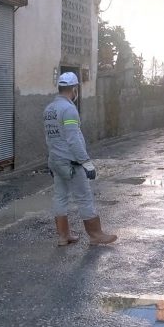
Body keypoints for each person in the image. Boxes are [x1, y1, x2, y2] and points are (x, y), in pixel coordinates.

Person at [44, 72, 117, 246]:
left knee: (60, 197)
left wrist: (51, 160)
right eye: (76, 89)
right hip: (71, 163)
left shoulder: (49, 109)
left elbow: (50, 138)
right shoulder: (68, 110)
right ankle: (95, 234)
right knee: (84, 197)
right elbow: (73, 139)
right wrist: (86, 162)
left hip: (56, 161)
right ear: (74, 89)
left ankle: (63, 236)